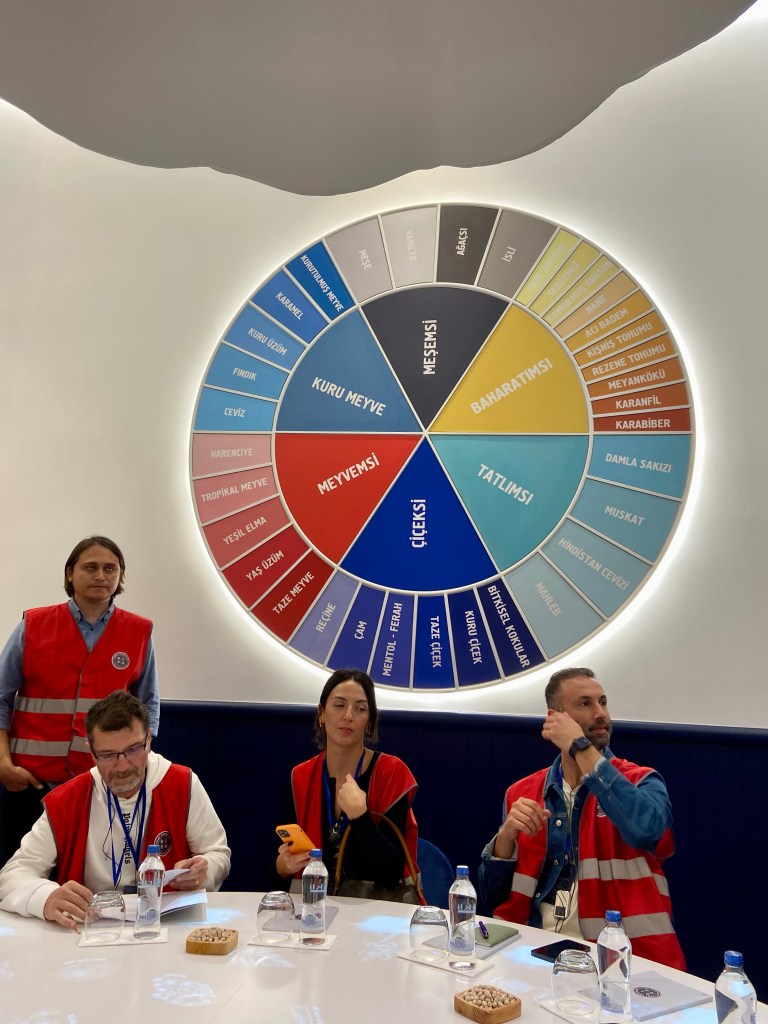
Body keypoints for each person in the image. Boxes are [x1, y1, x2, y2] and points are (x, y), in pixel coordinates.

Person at [478, 667, 685, 969]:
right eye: (585, 704)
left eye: (603, 702)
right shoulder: (521, 792)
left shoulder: (641, 781)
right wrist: (506, 838)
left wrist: (580, 747)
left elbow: (645, 829)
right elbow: (492, 898)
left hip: (623, 959)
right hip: (530, 950)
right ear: (555, 718)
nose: (600, 713)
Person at [0, 690, 230, 927]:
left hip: (166, 924)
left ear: (149, 740)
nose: (122, 766)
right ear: (91, 752)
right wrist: (46, 897)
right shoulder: (67, 800)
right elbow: (12, 875)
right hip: (91, 929)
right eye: (108, 755)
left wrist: (204, 871)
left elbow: (218, 854)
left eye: (133, 750)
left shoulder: (182, 784)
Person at [0, 535, 160, 865]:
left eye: (110, 569)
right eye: (90, 567)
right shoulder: (33, 625)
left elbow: (148, 706)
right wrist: (3, 765)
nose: (101, 576)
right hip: (30, 784)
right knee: (21, 875)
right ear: (70, 573)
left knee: (92, 876)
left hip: (101, 785)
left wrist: (134, 766)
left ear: (120, 576)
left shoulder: (138, 632)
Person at [275, 669, 419, 898]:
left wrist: (360, 817)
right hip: (313, 906)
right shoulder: (300, 776)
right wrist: (282, 867)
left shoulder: (391, 772)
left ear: (369, 721)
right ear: (321, 714)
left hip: (377, 909)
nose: (348, 716)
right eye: (339, 705)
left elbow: (392, 872)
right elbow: (276, 871)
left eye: (360, 709)